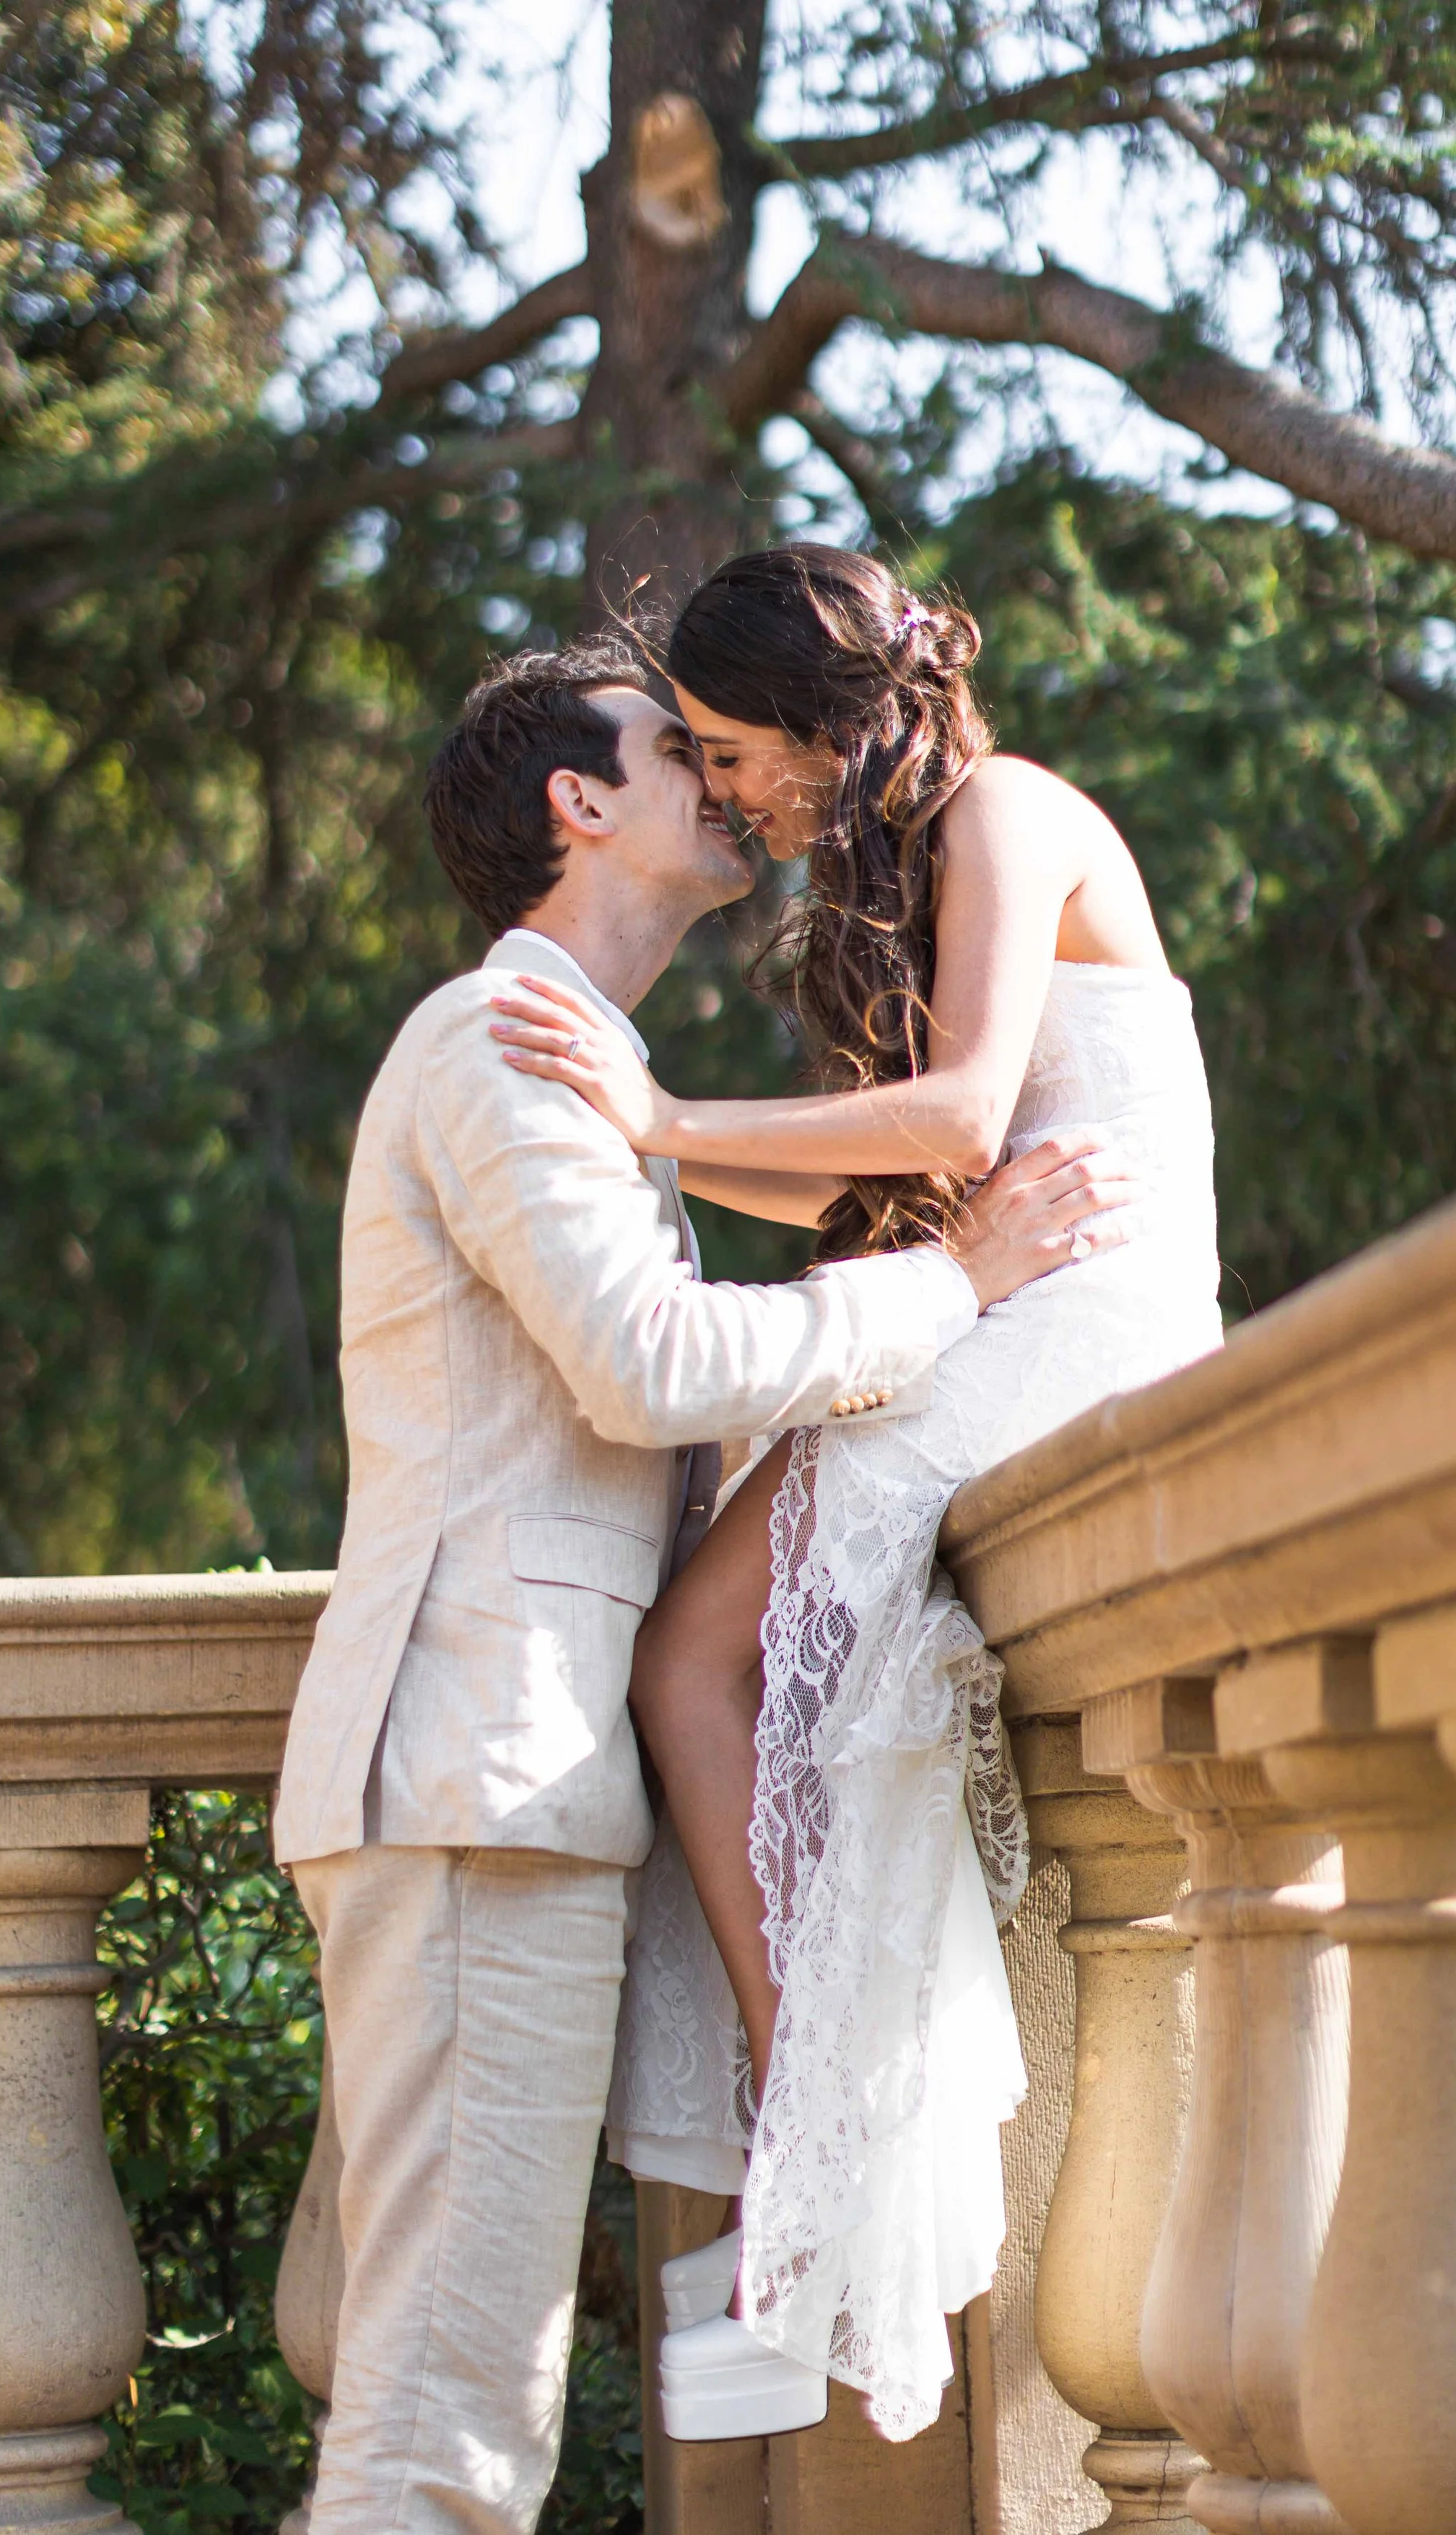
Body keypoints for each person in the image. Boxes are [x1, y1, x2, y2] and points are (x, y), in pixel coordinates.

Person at [273, 635, 1140, 2535]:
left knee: (464, 2404)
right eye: (682, 751)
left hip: (505, 1783)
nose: (728, 780)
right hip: (467, 1780)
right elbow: (648, 1367)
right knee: (443, 2420)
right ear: (582, 805)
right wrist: (958, 1287)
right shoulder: (502, 1043)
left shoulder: (584, 1059)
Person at [485, 546, 1224, 2445]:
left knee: (692, 1664)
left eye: (731, 750)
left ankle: (804, 2184)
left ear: (824, 721)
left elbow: (969, 1120)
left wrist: (652, 1121)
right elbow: (875, 1192)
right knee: (688, 1669)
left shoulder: (1005, 808)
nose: (725, 790)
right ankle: (804, 2164)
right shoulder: (900, 866)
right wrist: (640, 1142)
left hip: (1084, 1314)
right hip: (993, 1296)